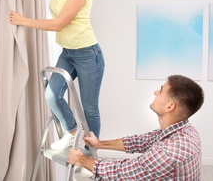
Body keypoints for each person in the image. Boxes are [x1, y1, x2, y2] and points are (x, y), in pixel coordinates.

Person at [10, 0, 105, 151]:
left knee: (89, 108)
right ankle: (71, 132)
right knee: (52, 95)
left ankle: (90, 155)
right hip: (69, 52)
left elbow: (58, 24)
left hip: (88, 54)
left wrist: (23, 20)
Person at [68, 75, 205, 180]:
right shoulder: (184, 129)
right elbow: (139, 141)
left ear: (170, 107)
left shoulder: (169, 152)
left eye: (161, 91)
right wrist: (99, 144)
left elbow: (123, 172)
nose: (155, 91)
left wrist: (82, 160)